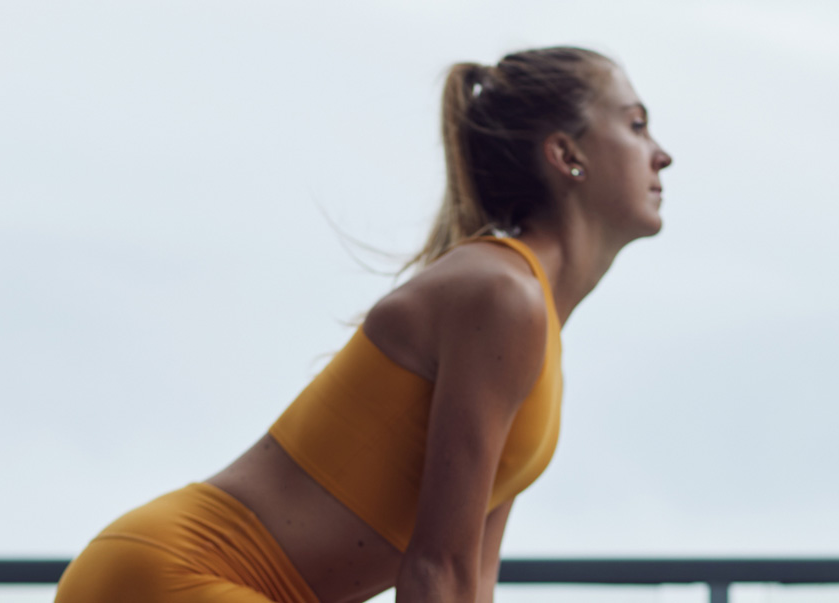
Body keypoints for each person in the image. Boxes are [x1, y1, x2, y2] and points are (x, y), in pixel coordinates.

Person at [54, 45, 672, 603]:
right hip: (174, 579)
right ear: (566, 154)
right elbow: (435, 570)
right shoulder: (501, 295)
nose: (662, 155)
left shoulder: (533, 330)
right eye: (637, 126)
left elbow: (468, 583)